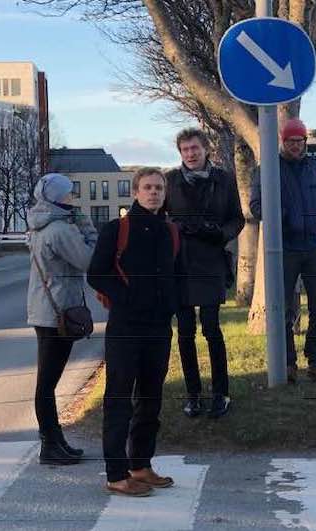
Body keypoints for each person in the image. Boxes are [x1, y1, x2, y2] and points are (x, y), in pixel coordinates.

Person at [87, 168, 179, 497]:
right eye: (147, 188)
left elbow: (175, 275)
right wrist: (128, 298)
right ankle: (116, 473)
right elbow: (96, 273)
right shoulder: (117, 229)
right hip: (126, 326)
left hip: (158, 327)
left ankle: (141, 464)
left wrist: (173, 305)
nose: (153, 193)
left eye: (158, 188)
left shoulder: (170, 231)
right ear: (136, 192)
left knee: (151, 399)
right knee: (119, 399)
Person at [165, 128, 244, 419]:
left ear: (205, 149)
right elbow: (160, 216)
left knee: (212, 329)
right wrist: (175, 229)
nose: (190, 154)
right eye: (185, 150)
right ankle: (193, 394)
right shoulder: (170, 180)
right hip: (181, 262)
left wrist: (220, 233)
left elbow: (237, 218)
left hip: (211, 259)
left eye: (194, 148)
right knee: (185, 332)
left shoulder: (223, 179)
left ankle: (220, 393)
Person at [250, 118, 316, 385]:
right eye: (291, 141)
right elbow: (256, 205)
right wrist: (283, 219)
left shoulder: (314, 168)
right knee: (284, 309)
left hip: (313, 245)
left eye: (300, 141)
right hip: (284, 247)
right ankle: (288, 363)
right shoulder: (268, 169)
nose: (296, 146)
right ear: (282, 142)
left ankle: (315, 361)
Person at [27, 173, 98, 466]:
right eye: (69, 194)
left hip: (45, 311)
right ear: (57, 197)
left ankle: (56, 441)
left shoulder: (40, 225)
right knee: (47, 383)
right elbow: (89, 261)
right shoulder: (60, 229)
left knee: (47, 381)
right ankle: (50, 445)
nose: (73, 199)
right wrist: (88, 226)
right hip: (58, 313)